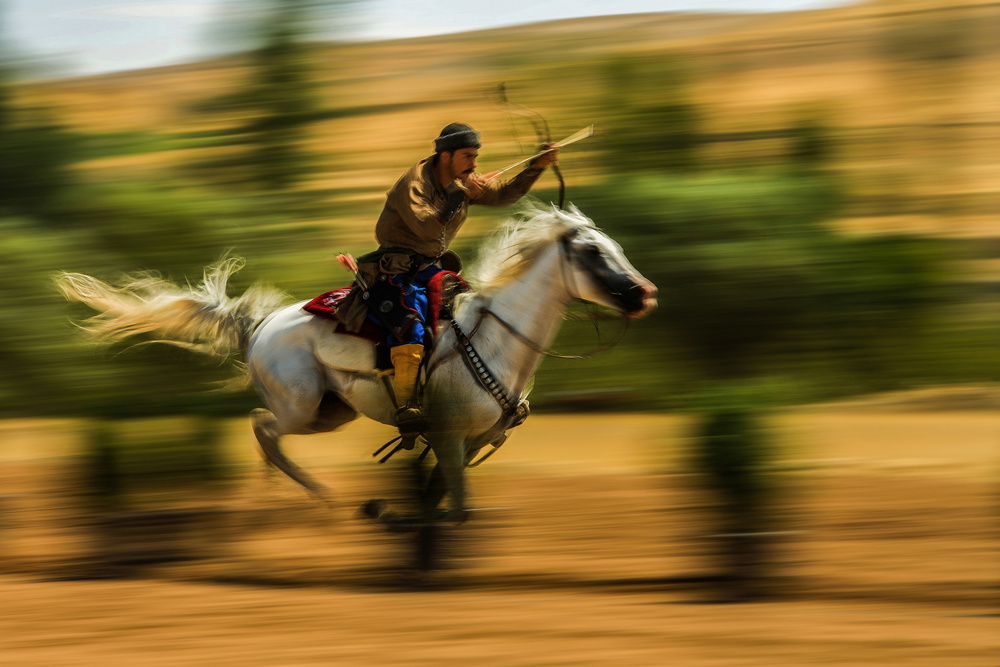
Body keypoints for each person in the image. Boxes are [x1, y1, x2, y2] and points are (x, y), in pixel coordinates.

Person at [338, 122, 559, 445]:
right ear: (446, 156)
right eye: (468, 156)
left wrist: (535, 168)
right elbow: (427, 227)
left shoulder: (460, 181)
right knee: (410, 328)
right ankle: (408, 408)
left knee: (475, 317)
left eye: (475, 156)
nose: (474, 164)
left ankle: (486, 401)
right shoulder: (412, 184)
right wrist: (462, 194)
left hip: (431, 269)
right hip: (396, 270)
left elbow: (501, 196)